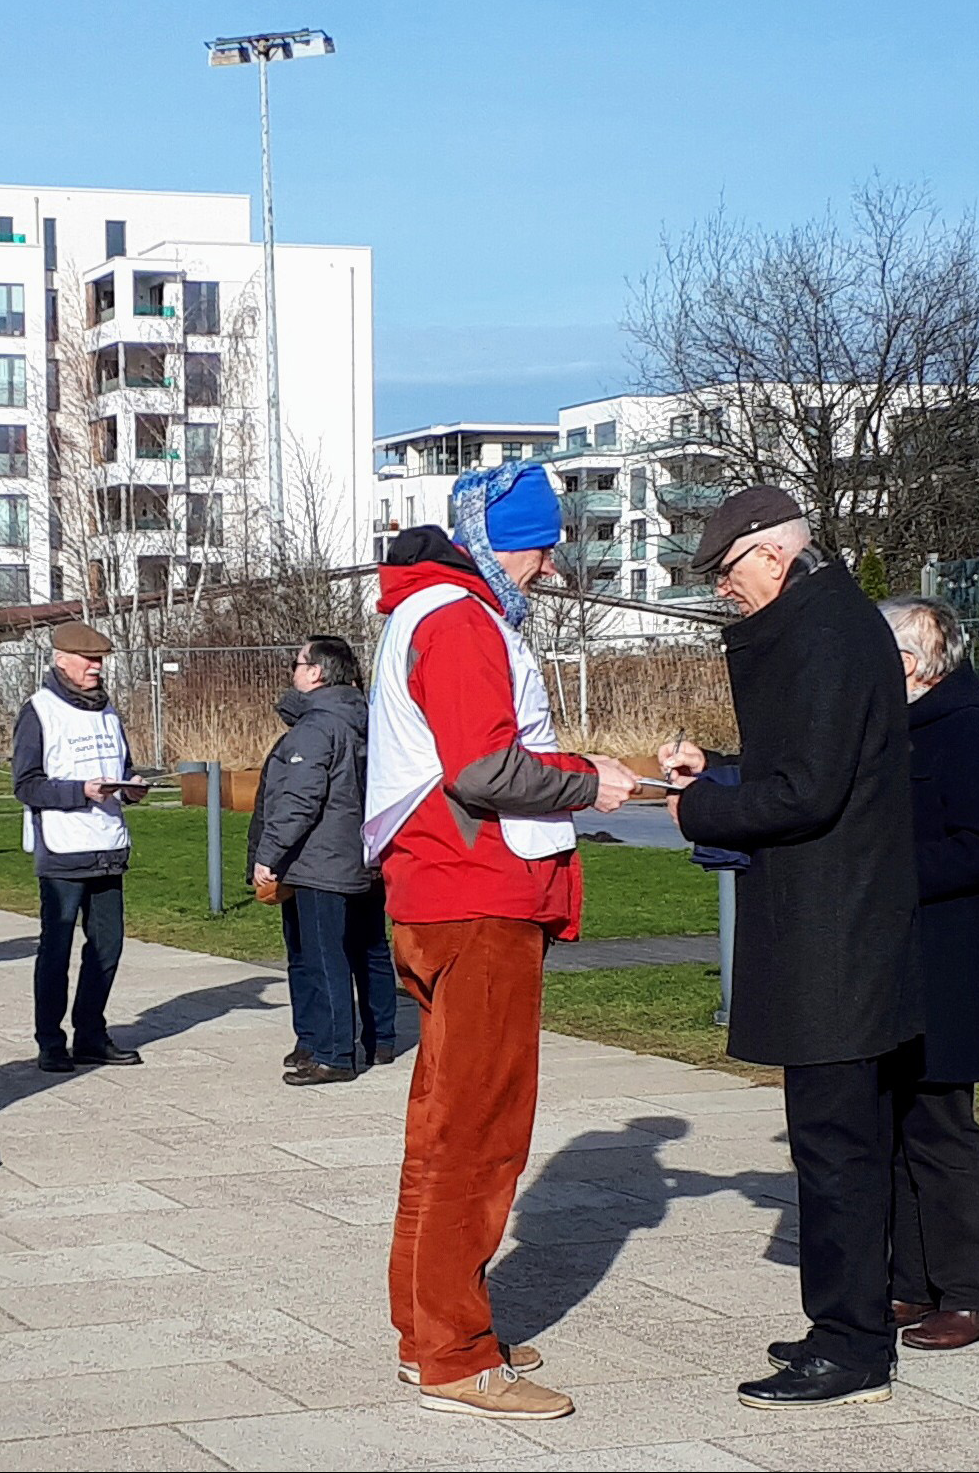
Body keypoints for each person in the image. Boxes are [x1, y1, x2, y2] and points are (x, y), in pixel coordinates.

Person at [363, 461, 636, 1421]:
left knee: (445, 1128)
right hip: (475, 896)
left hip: (446, 893)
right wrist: (587, 780)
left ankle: (431, 1334)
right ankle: (452, 1354)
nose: (550, 564)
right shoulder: (461, 618)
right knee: (478, 1134)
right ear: (501, 543)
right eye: (540, 546)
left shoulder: (434, 608)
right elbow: (483, 770)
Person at [663, 486, 923, 1410]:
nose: (722, 590)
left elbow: (808, 792)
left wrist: (702, 807)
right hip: (839, 927)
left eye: (727, 570)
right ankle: (847, 1327)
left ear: (772, 555)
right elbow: (810, 768)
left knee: (836, 1147)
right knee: (841, 1141)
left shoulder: (825, 634)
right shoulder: (833, 623)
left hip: (835, 935)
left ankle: (851, 1349)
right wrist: (724, 774)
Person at [874, 595, 979, 1351]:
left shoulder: (968, 728)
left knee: (941, 1126)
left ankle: (970, 1295)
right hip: (897, 958)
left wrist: (883, 875)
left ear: (909, 663)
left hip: (950, 961)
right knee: (900, 1122)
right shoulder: (898, 724)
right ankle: (911, 1283)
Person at [250, 633, 394, 1085]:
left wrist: (268, 854)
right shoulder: (369, 720)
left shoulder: (316, 728)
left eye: (298, 663)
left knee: (319, 955)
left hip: (319, 860)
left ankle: (332, 1051)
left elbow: (299, 799)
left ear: (315, 673)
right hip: (366, 855)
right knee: (368, 948)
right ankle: (377, 1038)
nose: (293, 672)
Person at [12, 620, 149, 1073]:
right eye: (88, 660)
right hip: (64, 849)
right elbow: (26, 785)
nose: (96, 667)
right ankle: (50, 1041)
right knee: (56, 949)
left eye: (100, 660)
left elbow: (122, 766)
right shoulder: (38, 711)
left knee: (108, 946)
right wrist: (80, 792)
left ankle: (91, 1034)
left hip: (108, 844)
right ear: (61, 660)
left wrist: (130, 786)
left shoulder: (109, 711)